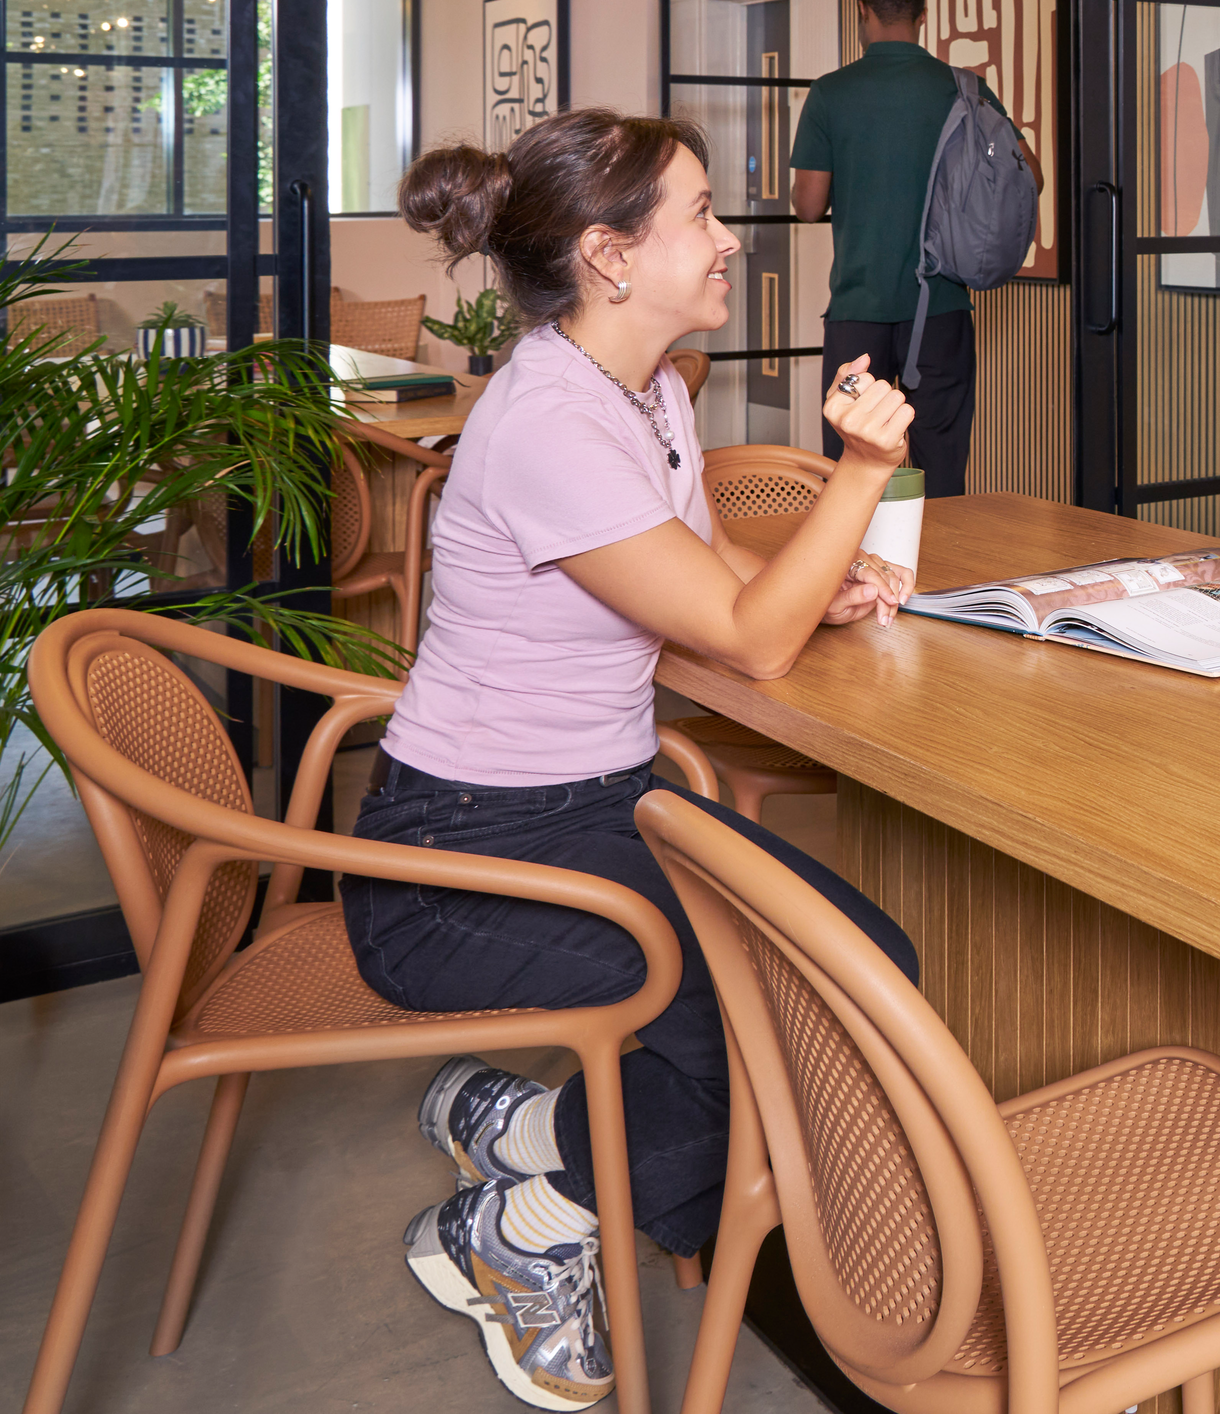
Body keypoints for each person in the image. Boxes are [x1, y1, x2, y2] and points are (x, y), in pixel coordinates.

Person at [354, 110, 922, 1408]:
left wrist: (814, 586)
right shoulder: (549, 418)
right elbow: (743, 646)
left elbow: (717, 582)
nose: (732, 240)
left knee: (864, 965)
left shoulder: (648, 389)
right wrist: (861, 473)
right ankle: (525, 1226)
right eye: (705, 216)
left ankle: (527, 1137)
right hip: (461, 858)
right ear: (610, 257)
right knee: (779, 1024)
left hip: (604, 808)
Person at [791, 0, 1009, 497]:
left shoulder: (830, 92)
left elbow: (809, 206)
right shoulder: (964, 88)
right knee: (941, 457)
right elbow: (1029, 173)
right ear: (923, 16)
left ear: (862, 12)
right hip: (941, 308)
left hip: (856, 313)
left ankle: (854, 571)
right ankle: (939, 572)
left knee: (850, 456)